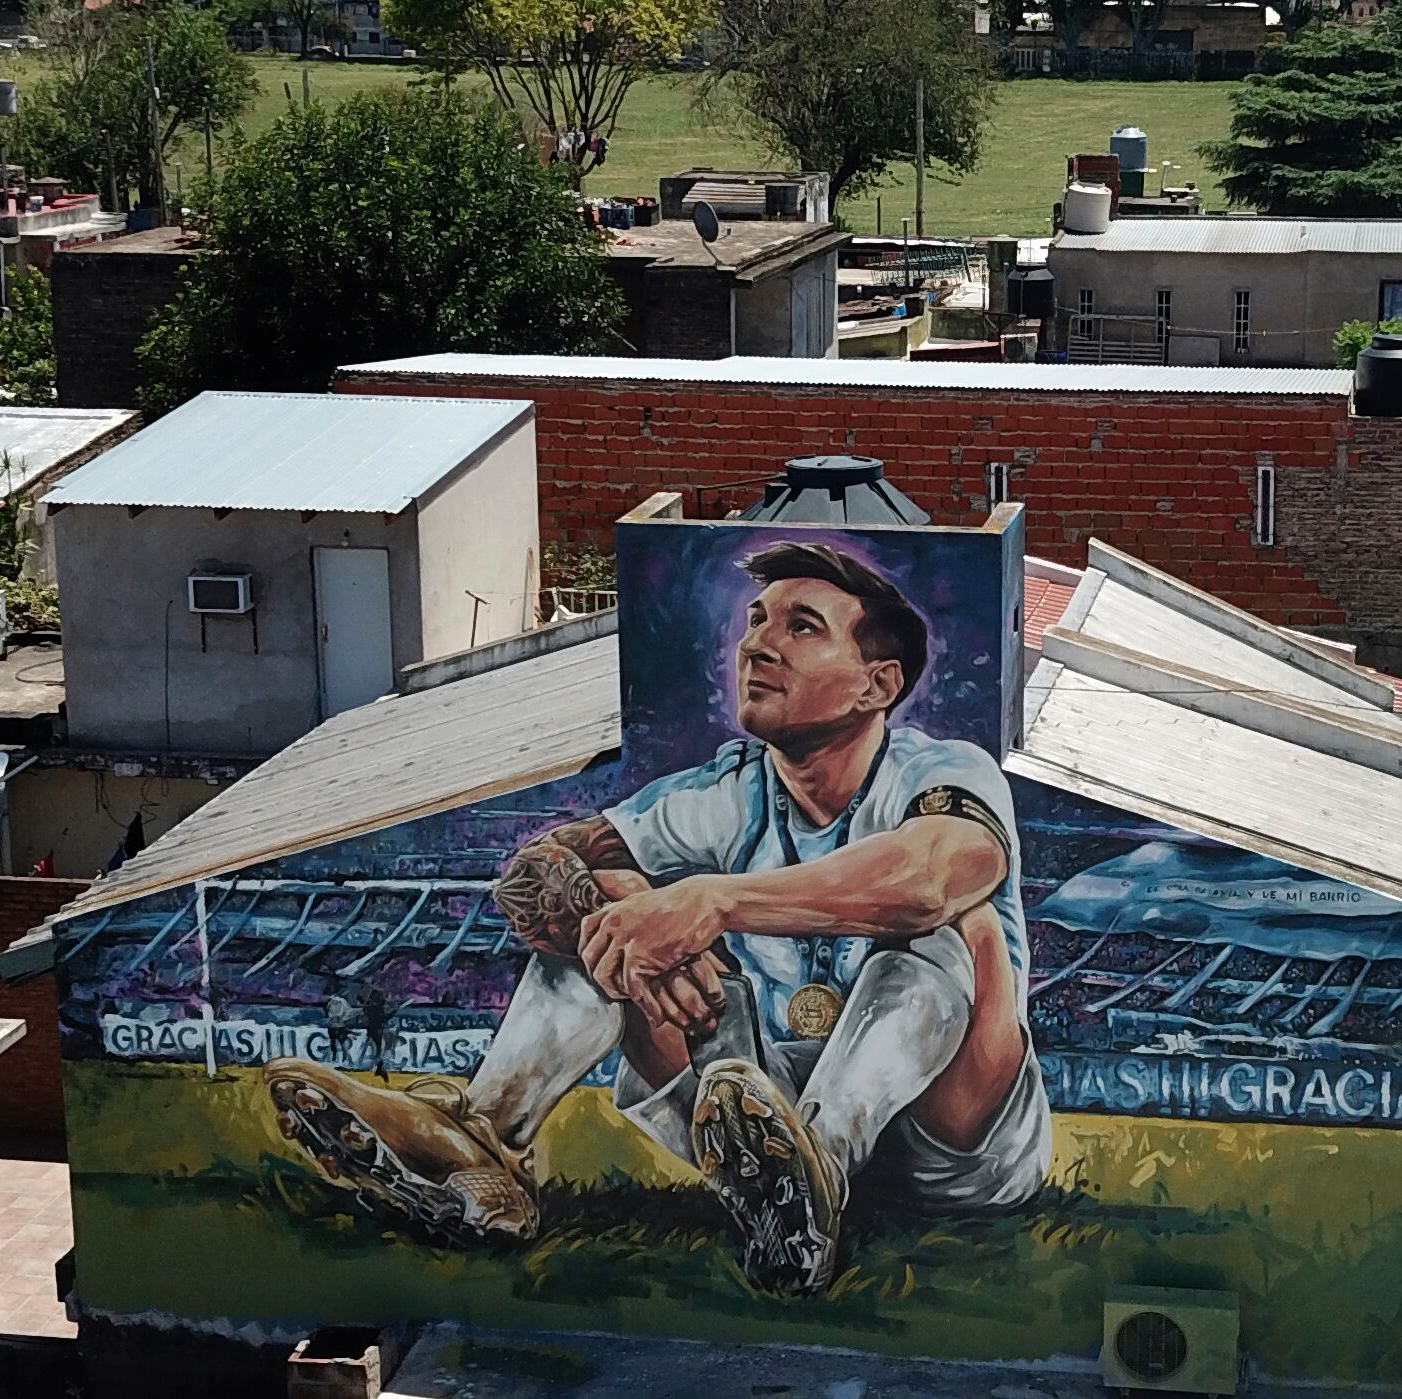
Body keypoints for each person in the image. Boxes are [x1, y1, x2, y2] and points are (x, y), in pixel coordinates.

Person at [260, 538, 1049, 1297]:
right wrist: (633, 914)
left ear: (877, 686)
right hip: (751, 1118)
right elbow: (542, 867)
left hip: (951, 1150)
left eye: (799, 628)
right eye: (756, 623)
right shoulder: (726, 789)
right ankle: (482, 1141)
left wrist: (707, 902)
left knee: (948, 932)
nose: (758, 646)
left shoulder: (943, 769)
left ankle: (819, 1171)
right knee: (606, 911)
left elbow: (935, 876)